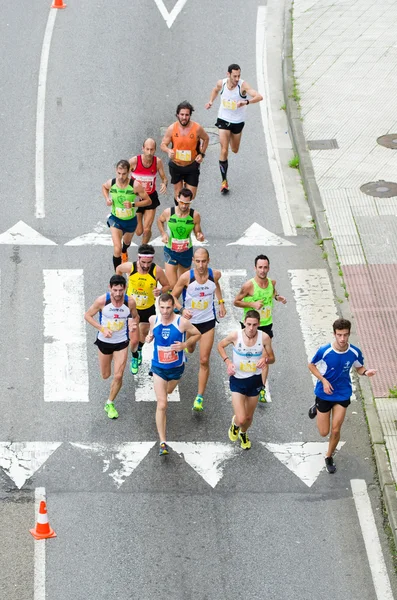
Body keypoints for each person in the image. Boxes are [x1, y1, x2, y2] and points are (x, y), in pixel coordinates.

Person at [308, 318, 376, 473]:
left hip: (342, 393)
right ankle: (316, 407)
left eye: (345, 335)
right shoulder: (324, 351)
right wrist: (323, 381)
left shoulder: (354, 352)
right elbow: (311, 365)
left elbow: (359, 368)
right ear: (334, 334)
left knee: (336, 429)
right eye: (339, 335)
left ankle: (329, 456)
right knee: (323, 432)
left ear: (349, 334)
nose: (342, 339)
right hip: (324, 393)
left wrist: (366, 372)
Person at [146, 293, 201, 456]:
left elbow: (197, 334)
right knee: (162, 404)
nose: (164, 311)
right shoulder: (152, 320)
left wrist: (185, 344)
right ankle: (163, 442)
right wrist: (148, 338)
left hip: (176, 368)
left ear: (173, 307)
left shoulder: (181, 322)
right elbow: (150, 335)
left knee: (169, 391)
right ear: (158, 306)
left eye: (168, 307)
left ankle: (165, 391)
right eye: (162, 307)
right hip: (159, 367)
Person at [172, 247, 226, 411]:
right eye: (198, 261)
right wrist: (182, 310)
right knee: (190, 347)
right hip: (190, 323)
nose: (201, 265)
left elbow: (216, 285)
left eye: (204, 261)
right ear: (193, 261)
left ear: (208, 261)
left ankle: (199, 397)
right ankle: (189, 347)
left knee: (204, 360)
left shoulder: (214, 274)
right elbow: (172, 296)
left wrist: (221, 302)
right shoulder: (186, 278)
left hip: (208, 321)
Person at [84, 275, 139, 419]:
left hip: (121, 342)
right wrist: (102, 329)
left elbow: (135, 316)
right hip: (104, 342)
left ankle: (109, 403)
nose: (118, 294)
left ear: (125, 288)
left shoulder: (130, 302)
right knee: (105, 375)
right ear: (110, 288)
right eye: (115, 290)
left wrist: (133, 324)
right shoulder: (102, 301)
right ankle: (110, 391)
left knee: (119, 375)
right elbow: (88, 316)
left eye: (121, 290)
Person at [217, 310, 275, 449]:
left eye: (254, 325)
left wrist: (265, 359)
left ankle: (243, 433)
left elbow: (272, 359)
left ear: (259, 324)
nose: (251, 328)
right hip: (237, 380)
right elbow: (220, 345)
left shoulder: (264, 338)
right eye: (248, 324)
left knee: (248, 418)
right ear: (244, 322)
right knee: (241, 418)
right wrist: (228, 362)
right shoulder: (236, 336)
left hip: (254, 380)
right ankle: (235, 424)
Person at [234, 254, 286, 402]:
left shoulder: (272, 282)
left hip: (266, 325)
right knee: (249, 356)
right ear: (255, 268)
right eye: (260, 267)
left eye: (265, 267)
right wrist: (252, 304)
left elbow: (273, 292)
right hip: (250, 326)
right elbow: (236, 302)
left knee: (264, 357)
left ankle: (261, 388)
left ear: (268, 268)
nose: (263, 270)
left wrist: (278, 297)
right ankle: (244, 383)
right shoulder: (249, 286)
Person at [205, 63, 263, 194]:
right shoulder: (222, 83)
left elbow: (259, 96)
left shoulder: (242, 86)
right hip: (223, 119)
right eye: (234, 76)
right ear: (228, 74)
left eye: (239, 76)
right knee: (224, 150)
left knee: (234, 149)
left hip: (237, 122)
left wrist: (246, 102)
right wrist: (211, 101)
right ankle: (224, 182)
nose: (237, 79)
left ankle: (231, 137)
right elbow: (215, 90)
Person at [116, 243, 170, 375]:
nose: (146, 265)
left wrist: (160, 290)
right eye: (143, 262)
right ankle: (135, 357)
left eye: (149, 262)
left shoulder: (156, 270)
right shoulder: (130, 267)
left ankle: (139, 350)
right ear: (138, 258)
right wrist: (121, 285)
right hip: (131, 308)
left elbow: (167, 285)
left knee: (143, 336)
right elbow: (118, 269)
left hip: (148, 308)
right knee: (133, 339)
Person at [102, 160, 151, 270]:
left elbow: (148, 201)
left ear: (129, 172)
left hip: (130, 221)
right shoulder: (112, 183)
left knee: (127, 242)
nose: (121, 176)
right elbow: (104, 187)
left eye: (124, 174)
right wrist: (107, 198)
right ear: (116, 171)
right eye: (119, 173)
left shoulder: (135, 185)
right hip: (115, 219)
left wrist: (133, 204)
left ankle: (125, 250)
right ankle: (117, 275)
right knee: (117, 249)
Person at [160, 101, 209, 204]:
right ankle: (181, 216)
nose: (184, 117)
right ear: (178, 115)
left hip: (191, 165)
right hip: (176, 165)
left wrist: (201, 154)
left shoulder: (197, 128)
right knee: (179, 197)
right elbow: (163, 145)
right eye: (182, 114)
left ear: (190, 115)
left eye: (187, 115)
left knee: (191, 196)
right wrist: (168, 150)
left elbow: (206, 139)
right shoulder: (172, 128)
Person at [157, 187, 205, 289]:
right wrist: (163, 233)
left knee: (183, 283)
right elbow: (160, 221)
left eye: (187, 203)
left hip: (186, 251)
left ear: (191, 202)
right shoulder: (169, 212)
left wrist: (199, 236)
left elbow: (198, 231)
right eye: (182, 202)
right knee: (172, 285)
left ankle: (183, 303)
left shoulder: (195, 215)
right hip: (170, 251)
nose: (184, 205)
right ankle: (173, 304)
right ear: (177, 199)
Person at [129, 138, 168, 244]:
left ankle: (143, 250)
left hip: (150, 198)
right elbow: (122, 178)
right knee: (138, 231)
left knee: (147, 230)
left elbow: (164, 178)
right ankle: (138, 218)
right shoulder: (134, 161)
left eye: (152, 149)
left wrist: (164, 184)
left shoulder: (157, 162)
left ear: (155, 150)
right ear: (143, 148)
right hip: (136, 198)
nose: (149, 152)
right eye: (147, 149)